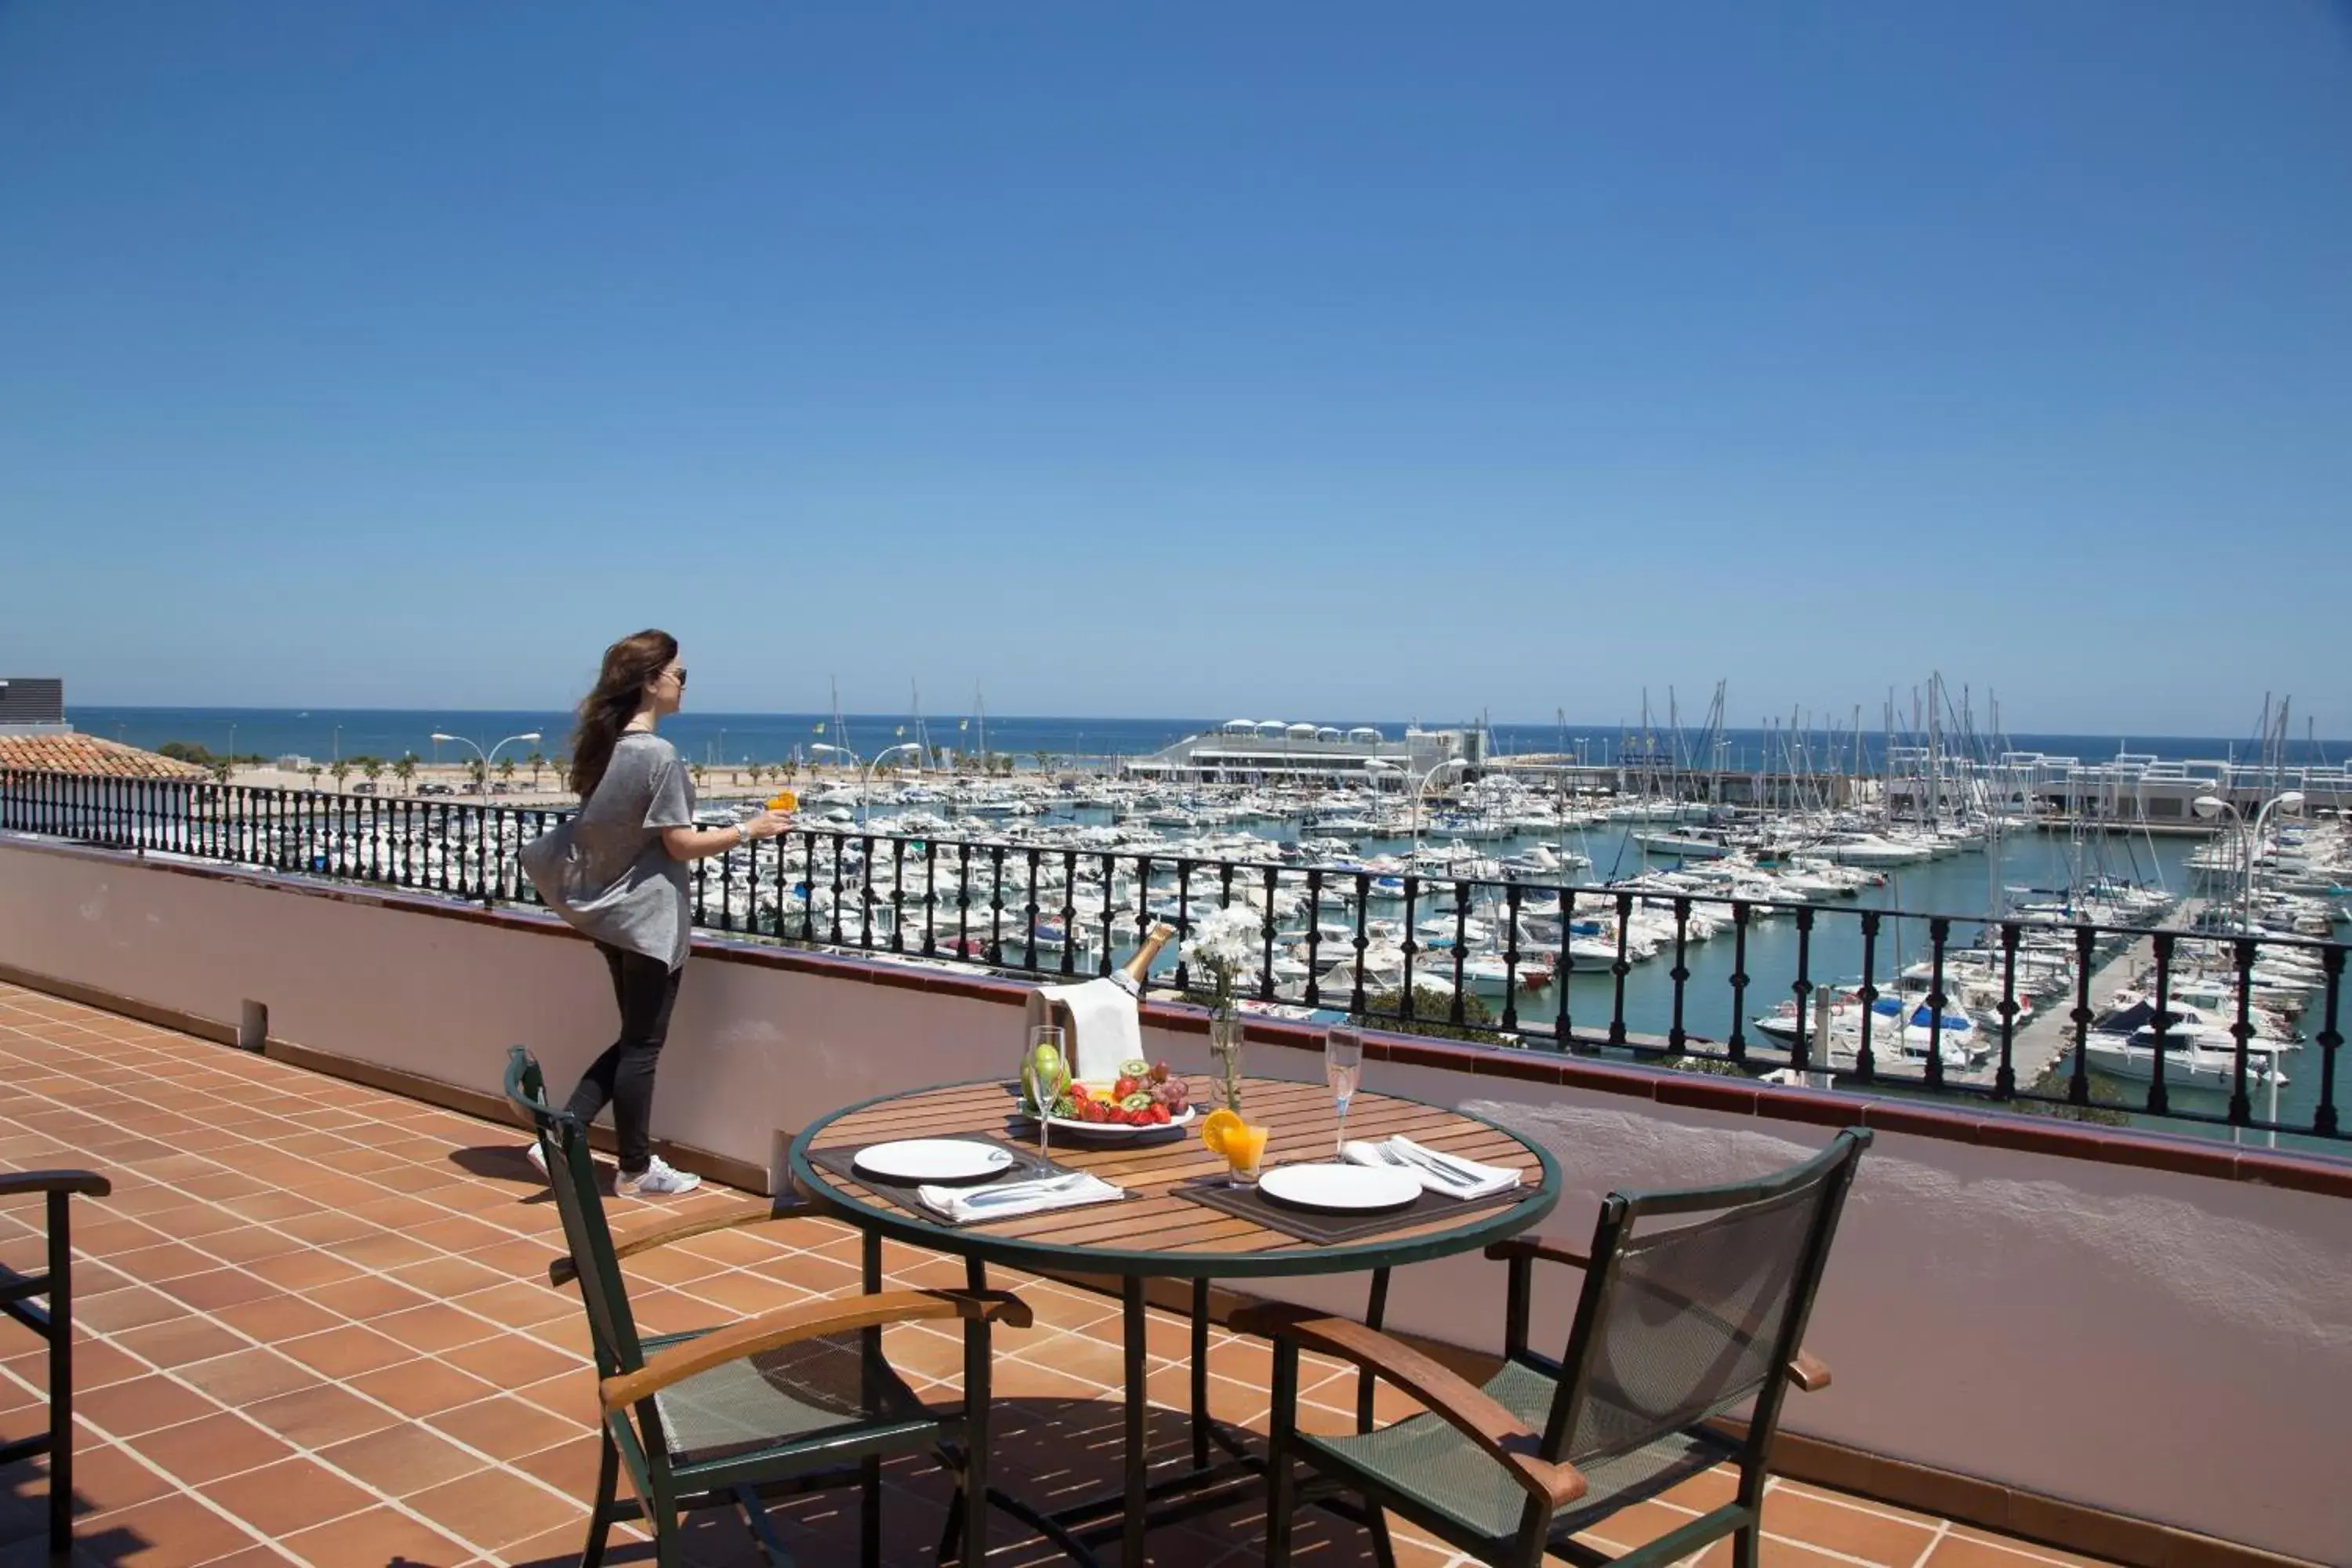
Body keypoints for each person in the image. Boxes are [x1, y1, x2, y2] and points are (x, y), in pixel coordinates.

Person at [518, 630, 793, 1197]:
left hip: (609, 917)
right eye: (681, 676)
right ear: (652, 682)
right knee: (642, 1047)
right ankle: (634, 1168)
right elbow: (679, 845)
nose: (685, 687)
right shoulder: (659, 756)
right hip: (647, 921)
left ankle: (562, 1136)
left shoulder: (606, 748)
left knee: (634, 1040)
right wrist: (751, 829)